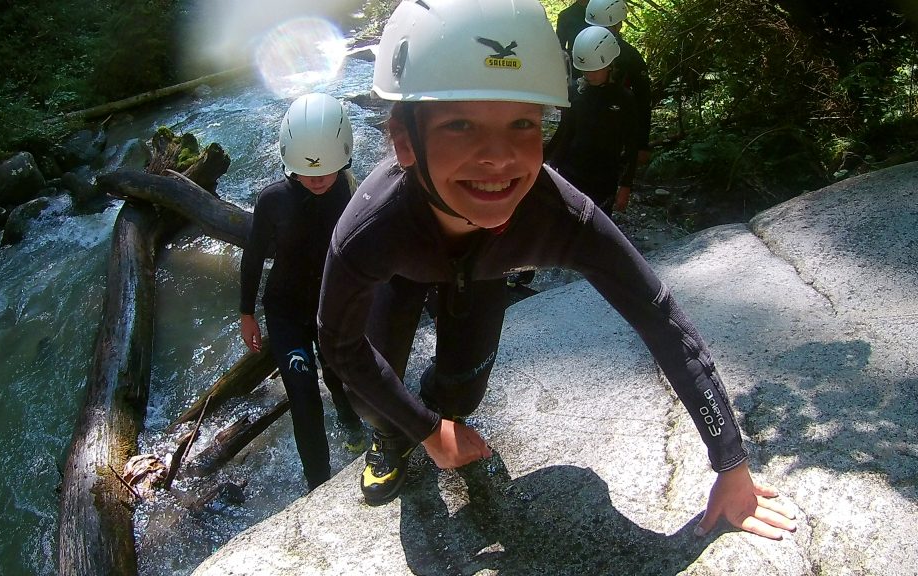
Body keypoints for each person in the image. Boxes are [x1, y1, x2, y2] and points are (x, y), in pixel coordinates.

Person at [316, 0, 797, 540]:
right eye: (460, 124)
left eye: (523, 122)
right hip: (400, 271)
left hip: (482, 274)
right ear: (404, 141)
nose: (499, 158)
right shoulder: (371, 230)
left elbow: (657, 315)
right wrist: (423, 431)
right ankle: (395, 435)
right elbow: (339, 344)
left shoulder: (558, 215)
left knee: (461, 397)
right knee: (372, 404)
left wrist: (731, 463)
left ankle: (433, 407)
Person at [239, 92, 362, 491]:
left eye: (326, 168)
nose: (318, 178)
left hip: (330, 304)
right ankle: (318, 487)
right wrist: (246, 313)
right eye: (310, 171)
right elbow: (253, 257)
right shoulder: (272, 200)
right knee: (303, 397)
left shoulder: (348, 191)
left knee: (339, 377)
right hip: (286, 311)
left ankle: (351, 422)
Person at [545, 25, 639, 216]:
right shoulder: (575, 93)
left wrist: (626, 185)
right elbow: (565, 132)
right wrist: (548, 162)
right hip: (571, 174)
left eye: (594, 70)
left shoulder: (624, 99)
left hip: (604, 179)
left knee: (596, 224)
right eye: (585, 70)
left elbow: (631, 145)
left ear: (610, 64)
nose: (589, 75)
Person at [585, 0, 652, 166]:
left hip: (617, 131)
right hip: (587, 130)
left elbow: (643, 100)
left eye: (605, 28)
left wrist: (641, 145)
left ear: (618, 26)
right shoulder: (583, 50)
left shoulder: (630, 57)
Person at [555, 0, 590, 77]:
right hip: (575, 69)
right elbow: (560, 47)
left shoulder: (601, 12)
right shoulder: (565, 15)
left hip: (601, 66)